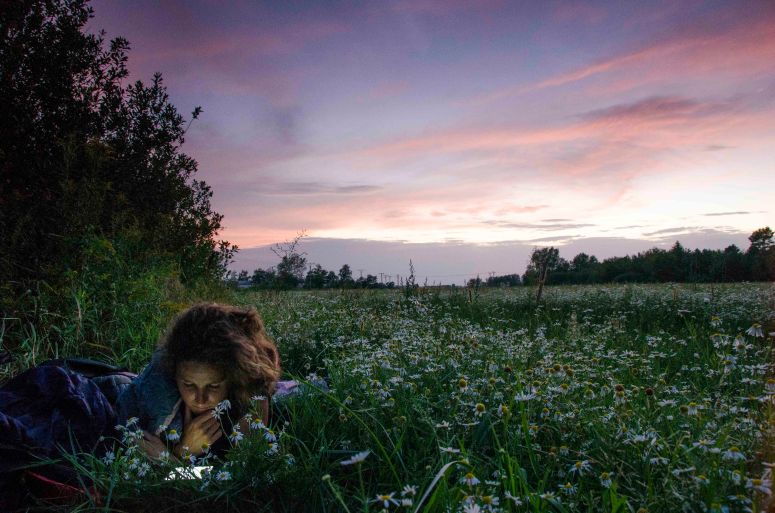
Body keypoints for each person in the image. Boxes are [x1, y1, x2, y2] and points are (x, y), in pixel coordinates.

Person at [115, 303, 281, 460]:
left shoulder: (252, 399)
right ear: (174, 375)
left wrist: (171, 461)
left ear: (232, 377)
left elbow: (241, 475)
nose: (200, 399)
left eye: (213, 386)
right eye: (188, 385)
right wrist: (183, 451)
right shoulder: (152, 406)